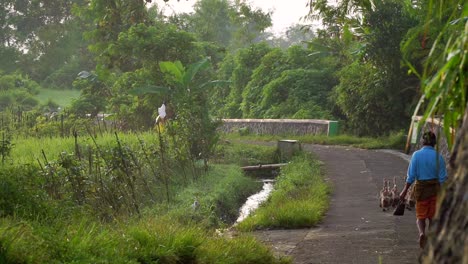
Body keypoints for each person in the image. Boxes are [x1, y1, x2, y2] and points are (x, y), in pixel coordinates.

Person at [399, 131, 447, 249]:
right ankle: (431, 237)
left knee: (420, 216)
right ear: (434, 143)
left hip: (421, 191)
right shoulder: (439, 157)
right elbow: (442, 179)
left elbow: (411, 176)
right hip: (434, 191)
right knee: (432, 217)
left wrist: (404, 191)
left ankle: (421, 233)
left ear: (422, 141)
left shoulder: (416, 155)